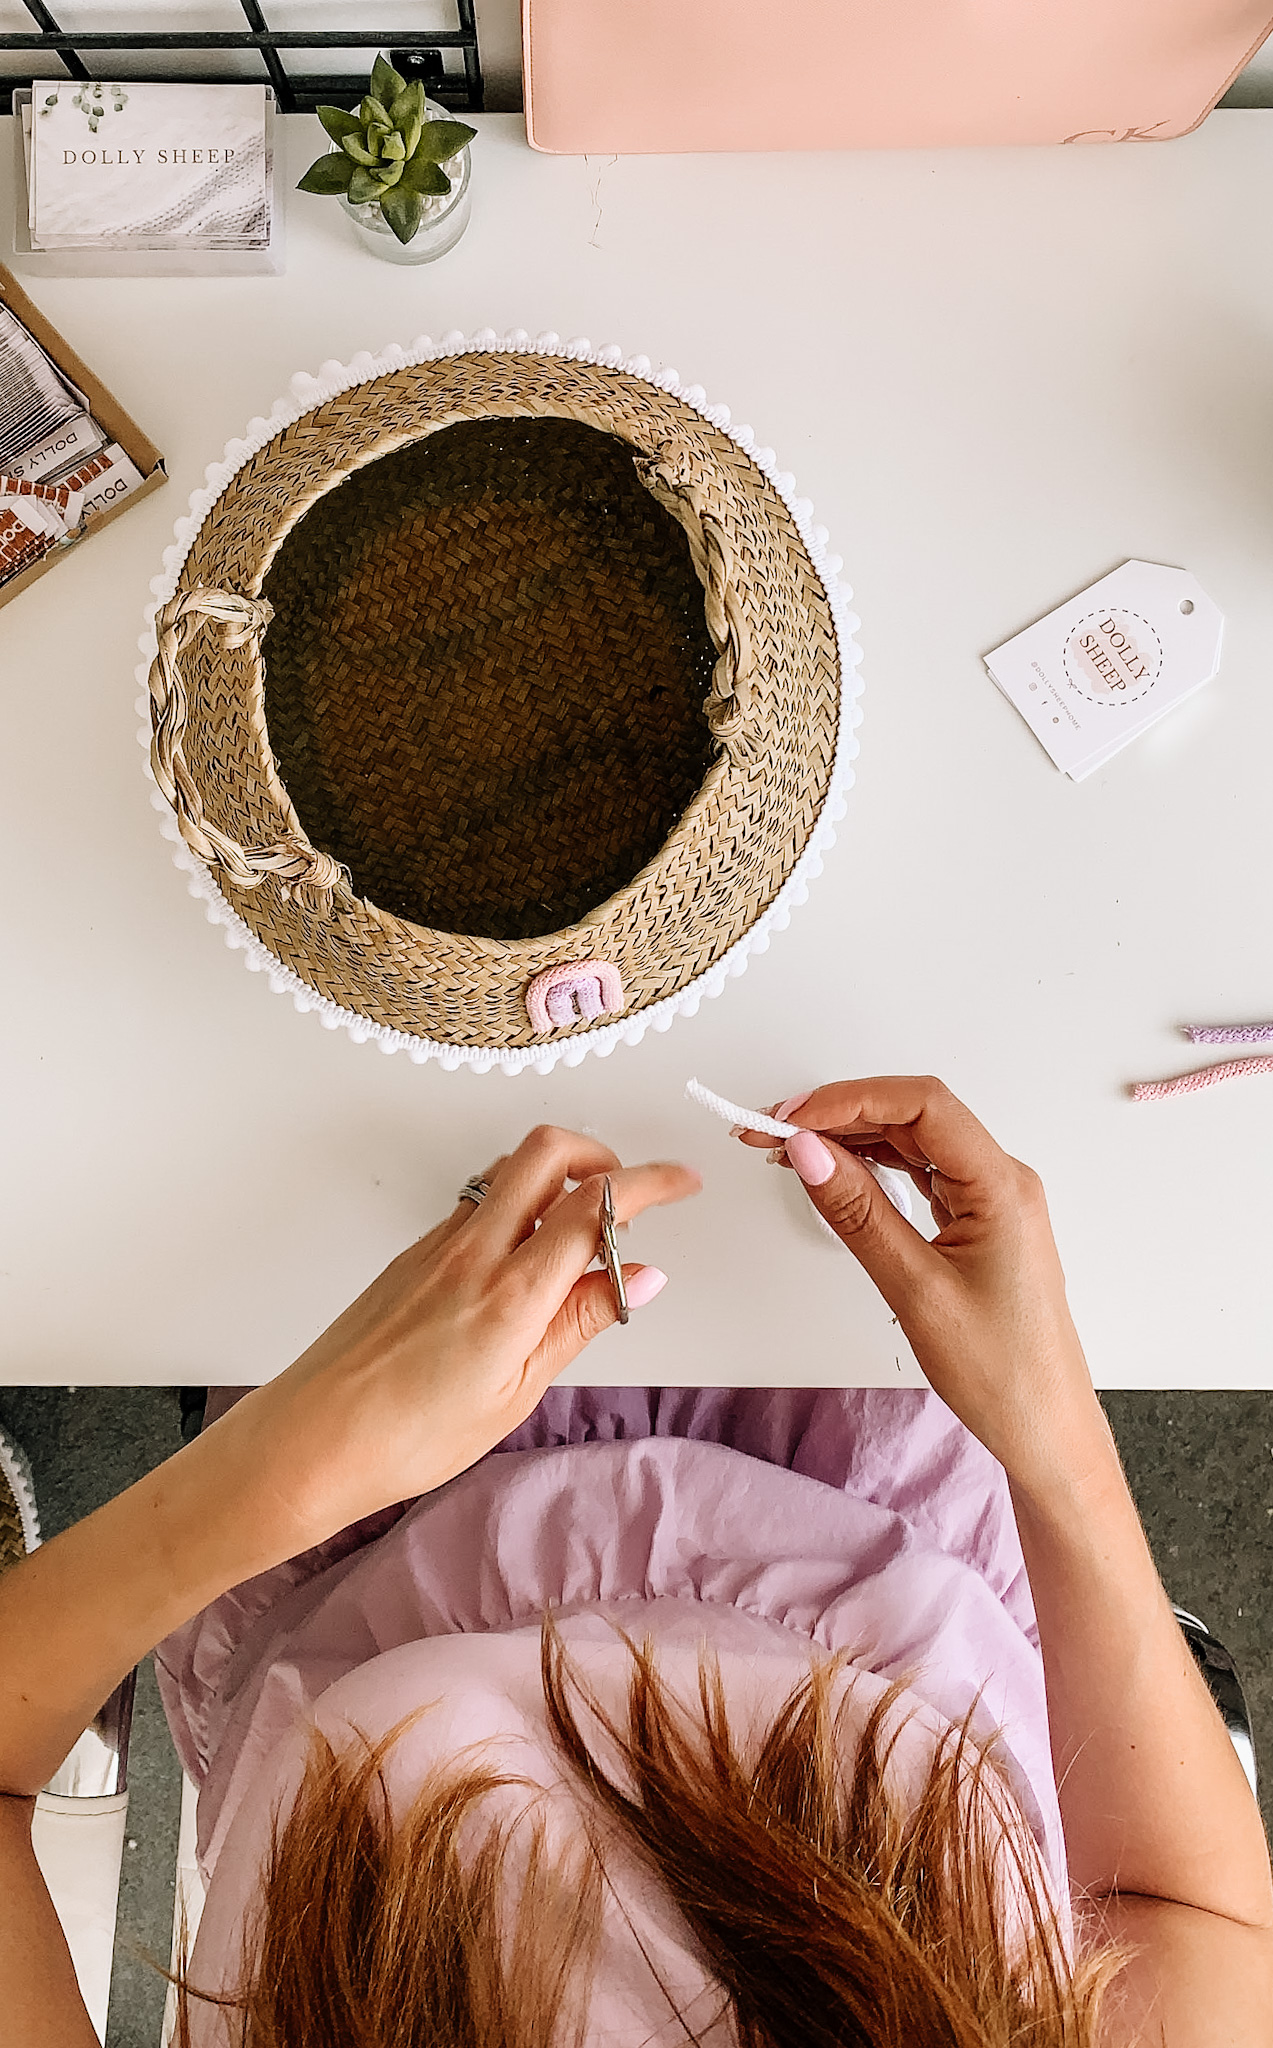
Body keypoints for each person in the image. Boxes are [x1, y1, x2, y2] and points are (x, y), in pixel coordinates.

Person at [0, 1077, 1269, 2047]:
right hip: (874, 1493)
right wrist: (1051, 1437)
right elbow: (1196, 1920)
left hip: (353, 1532)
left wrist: (287, 1468)